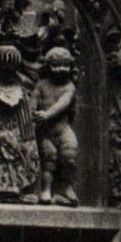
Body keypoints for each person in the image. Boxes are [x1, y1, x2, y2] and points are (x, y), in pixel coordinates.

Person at [33, 46, 79, 205]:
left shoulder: (69, 87)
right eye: (56, 67)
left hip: (63, 129)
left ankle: (67, 187)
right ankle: (46, 190)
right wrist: (34, 113)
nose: (61, 71)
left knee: (70, 156)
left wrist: (47, 114)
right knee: (49, 159)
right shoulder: (41, 86)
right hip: (46, 133)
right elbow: (33, 103)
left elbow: (64, 103)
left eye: (65, 67)